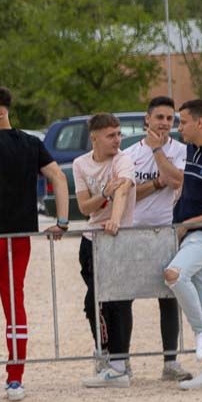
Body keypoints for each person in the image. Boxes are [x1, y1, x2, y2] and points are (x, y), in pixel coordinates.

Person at [0, 85, 71, 401]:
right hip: (19, 239)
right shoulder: (31, 142)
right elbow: (59, 177)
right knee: (15, 306)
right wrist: (63, 221)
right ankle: (15, 380)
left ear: (1, 111)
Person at [127, 96, 191, 382]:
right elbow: (128, 193)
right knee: (121, 297)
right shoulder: (128, 154)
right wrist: (156, 182)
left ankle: (170, 361)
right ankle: (119, 361)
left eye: (170, 118)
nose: (165, 123)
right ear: (147, 119)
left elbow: (177, 180)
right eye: (160, 117)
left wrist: (157, 154)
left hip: (167, 230)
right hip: (132, 231)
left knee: (168, 298)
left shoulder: (180, 149)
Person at [73, 114, 135, 387]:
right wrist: (104, 195)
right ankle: (107, 354)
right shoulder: (80, 164)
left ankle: (120, 363)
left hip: (116, 236)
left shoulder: (123, 159)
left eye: (119, 134)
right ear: (95, 137)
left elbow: (122, 189)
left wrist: (116, 219)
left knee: (118, 300)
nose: (117, 140)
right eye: (111, 135)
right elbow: (85, 207)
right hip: (91, 238)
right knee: (93, 301)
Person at [165, 99, 202, 389]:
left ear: (199, 122)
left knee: (174, 274)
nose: (178, 127)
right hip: (188, 234)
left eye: (182, 121)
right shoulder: (192, 151)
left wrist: (189, 223)